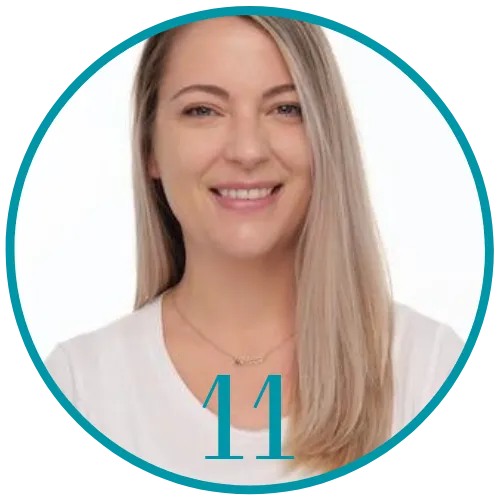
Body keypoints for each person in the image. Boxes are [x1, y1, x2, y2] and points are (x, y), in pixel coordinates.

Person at [44, 15, 464, 486]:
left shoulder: (429, 369)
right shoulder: (80, 387)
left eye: (286, 108)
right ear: (150, 148)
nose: (247, 151)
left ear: (325, 136)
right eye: (203, 110)